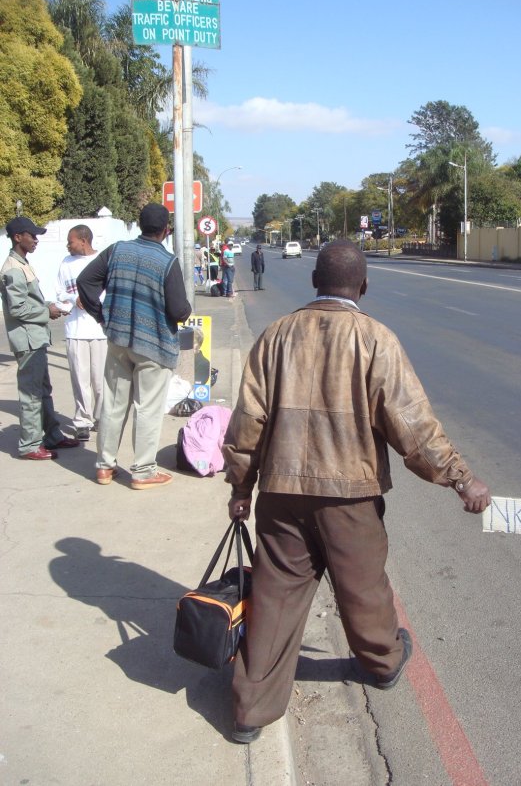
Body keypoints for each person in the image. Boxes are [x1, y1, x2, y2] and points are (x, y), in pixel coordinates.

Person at [222, 240, 491, 744]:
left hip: (282, 495)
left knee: (276, 596)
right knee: (363, 588)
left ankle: (251, 710)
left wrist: (241, 487)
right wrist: (460, 478)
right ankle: (383, 663)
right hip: (351, 496)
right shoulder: (374, 339)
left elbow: (247, 422)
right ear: (363, 286)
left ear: (314, 282)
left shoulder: (276, 335)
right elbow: (412, 425)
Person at [77, 203, 192, 490]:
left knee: (114, 404)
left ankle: (104, 466)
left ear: (140, 226)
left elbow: (85, 281)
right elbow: (179, 310)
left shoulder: (116, 251)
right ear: (166, 230)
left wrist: (101, 314)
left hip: (117, 341)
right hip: (153, 346)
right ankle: (142, 471)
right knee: (148, 408)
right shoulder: (167, 262)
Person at [0, 217, 80, 459]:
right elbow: (18, 309)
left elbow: (29, 301)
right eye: (31, 235)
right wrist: (47, 311)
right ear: (17, 237)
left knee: (43, 389)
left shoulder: (22, 263)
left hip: (35, 337)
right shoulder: (13, 268)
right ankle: (30, 445)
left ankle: (52, 436)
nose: (36, 240)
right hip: (27, 341)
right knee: (31, 393)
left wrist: (48, 307)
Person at [55, 225, 107, 441]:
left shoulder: (101, 262)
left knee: (100, 380)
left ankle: (102, 418)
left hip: (99, 330)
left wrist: (92, 300)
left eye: (71, 241)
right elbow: (58, 292)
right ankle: (82, 421)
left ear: (84, 241)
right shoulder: (66, 264)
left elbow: (110, 291)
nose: (68, 245)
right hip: (75, 330)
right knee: (80, 379)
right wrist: (71, 301)